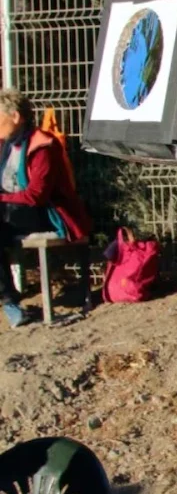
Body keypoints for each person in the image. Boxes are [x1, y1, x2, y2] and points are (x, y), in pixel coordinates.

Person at [0, 88, 92, 327]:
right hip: (11, 210)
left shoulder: (43, 146)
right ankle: (9, 301)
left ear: (15, 117)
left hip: (47, 213)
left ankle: (10, 302)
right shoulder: (6, 145)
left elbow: (36, 196)